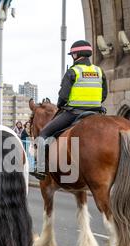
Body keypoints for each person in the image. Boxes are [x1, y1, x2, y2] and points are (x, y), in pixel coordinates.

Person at [32, 40, 108, 179]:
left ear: (75, 55)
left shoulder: (73, 71)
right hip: (96, 112)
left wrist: (61, 106)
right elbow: (104, 95)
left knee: (43, 134)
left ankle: (40, 168)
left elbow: (63, 97)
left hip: (74, 113)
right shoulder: (99, 71)